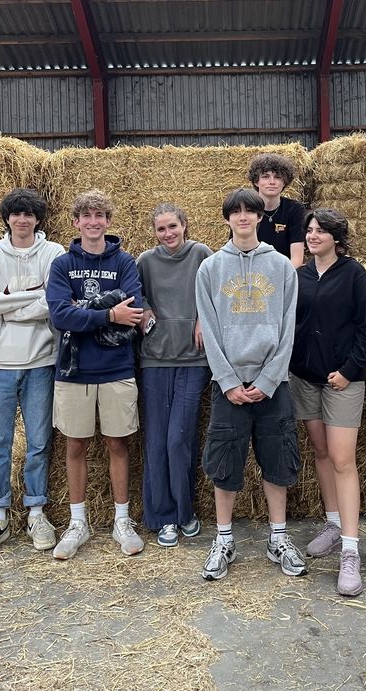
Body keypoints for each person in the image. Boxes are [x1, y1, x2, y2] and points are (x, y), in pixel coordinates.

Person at [195, 187, 305, 581]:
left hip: (272, 386)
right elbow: (208, 326)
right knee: (224, 463)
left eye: (250, 211)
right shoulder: (210, 269)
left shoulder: (280, 267)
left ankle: (278, 537)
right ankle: (224, 538)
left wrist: (270, 378)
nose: (243, 217)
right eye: (235, 212)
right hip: (229, 386)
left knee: (277, 461)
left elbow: (288, 326)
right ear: (227, 219)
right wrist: (226, 381)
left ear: (260, 217)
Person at [47, 189, 144, 561]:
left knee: (118, 443)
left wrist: (83, 309)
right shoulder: (61, 265)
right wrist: (107, 313)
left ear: (108, 221)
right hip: (73, 369)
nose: (93, 221)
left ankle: (122, 520)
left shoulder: (124, 262)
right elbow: (60, 316)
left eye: (99, 215)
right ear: (75, 222)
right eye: (86, 215)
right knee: (75, 444)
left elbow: (132, 314)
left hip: (117, 367)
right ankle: (78, 522)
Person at [0, 188, 65, 558]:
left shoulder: (54, 253)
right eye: (16, 214)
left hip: (41, 361)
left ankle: (36, 511)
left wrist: (9, 306)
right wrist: (31, 297)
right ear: (7, 218)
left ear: (38, 219)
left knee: (39, 442)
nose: (22, 220)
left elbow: (54, 302)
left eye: (29, 214)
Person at [289, 209, 366, 596]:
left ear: (337, 237)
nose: (312, 236)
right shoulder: (300, 276)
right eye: (309, 230)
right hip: (305, 379)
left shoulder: (355, 274)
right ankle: (334, 524)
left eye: (321, 231)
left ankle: (351, 553)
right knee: (321, 452)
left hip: (343, 381)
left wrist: (350, 369)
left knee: (343, 459)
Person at [137, 203, 213, 547]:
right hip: (155, 359)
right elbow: (131, 291)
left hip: (193, 359)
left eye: (173, 226)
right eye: (161, 229)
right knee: (156, 439)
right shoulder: (145, 261)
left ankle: (186, 512)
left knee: (179, 439)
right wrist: (146, 307)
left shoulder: (201, 254)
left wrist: (202, 318)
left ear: (185, 225)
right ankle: (163, 517)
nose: (167, 234)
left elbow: (215, 292)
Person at [248, 153, 305, 268]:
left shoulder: (295, 209)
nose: (272, 182)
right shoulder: (245, 209)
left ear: (284, 182)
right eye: (265, 176)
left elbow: (297, 258)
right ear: (256, 181)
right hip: (251, 273)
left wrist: (282, 277)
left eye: (278, 177)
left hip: (284, 271)